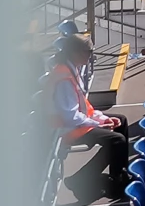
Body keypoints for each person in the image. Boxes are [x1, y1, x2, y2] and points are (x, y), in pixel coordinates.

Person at [46, 32, 132, 191]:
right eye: (88, 52)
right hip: (65, 129)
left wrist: (102, 119)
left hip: (74, 122)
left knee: (121, 121)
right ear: (75, 52)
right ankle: (90, 180)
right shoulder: (64, 79)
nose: (91, 55)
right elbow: (70, 116)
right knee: (117, 140)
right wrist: (98, 124)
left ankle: (118, 175)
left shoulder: (72, 69)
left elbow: (83, 106)